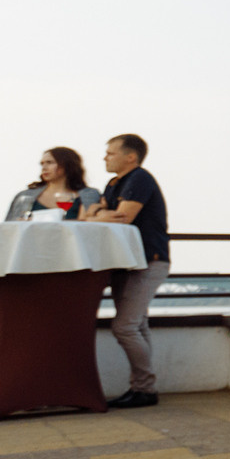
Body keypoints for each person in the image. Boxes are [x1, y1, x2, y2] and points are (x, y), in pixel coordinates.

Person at [83, 134, 169, 410]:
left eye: (110, 153)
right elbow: (107, 216)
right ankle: (142, 388)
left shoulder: (140, 178)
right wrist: (99, 213)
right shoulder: (114, 183)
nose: (105, 157)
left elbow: (122, 217)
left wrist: (94, 213)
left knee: (124, 326)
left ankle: (145, 388)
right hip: (127, 262)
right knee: (138, 324)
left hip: (148, 261)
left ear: (130, 156)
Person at [4, 147, 95, 221]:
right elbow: (10, 230)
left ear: (67, 165)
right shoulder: (25, 196)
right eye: (42, 164)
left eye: (49, 162)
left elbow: (89, 228)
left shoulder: (88, 195)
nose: (44, 168)